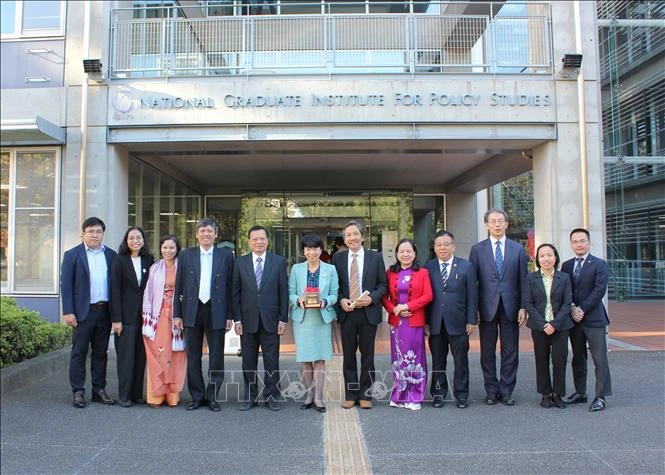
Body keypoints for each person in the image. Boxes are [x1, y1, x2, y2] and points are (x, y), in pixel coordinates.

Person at [174, 218, 234, 412]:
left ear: (216, 234)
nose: (206, 234)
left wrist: (230, 315)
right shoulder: (186, 255)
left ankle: (212, 395)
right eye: (202, 231)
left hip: (216, 311)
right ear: (197, 234)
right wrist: (177, 314)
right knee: (193, 355)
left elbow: (231, 286)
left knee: (216, 356)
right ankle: (197, 396)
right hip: (192, 310)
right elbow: (179, 285)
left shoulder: (226, 256)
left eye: (209, 231)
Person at [469, 208, 528, 406]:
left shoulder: (518, 249)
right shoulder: (477, 250)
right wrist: (474, 308)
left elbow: (523, 280)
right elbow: (473, 283)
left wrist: (523, 306)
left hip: (511, 307)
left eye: (500, 221)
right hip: (486, 307)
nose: (496, 224)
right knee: (487, 351)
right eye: (492, 221)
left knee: (510, 350)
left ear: (506, 224)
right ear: (486, 225)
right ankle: (491, 390)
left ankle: (507, 390)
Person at [61, 217, 117, 408]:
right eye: (91, 231)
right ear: (83, 233)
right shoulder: (72, 255)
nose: (95, 235)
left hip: (104, 311)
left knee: (101, 353)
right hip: (82, 312)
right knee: (79, 352)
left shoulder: (111, 255)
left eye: (98, 231)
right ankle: (78, 391)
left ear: (103, 234)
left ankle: (99, 390)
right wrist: (68, 311)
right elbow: (66, 285)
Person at [232, 225, 288, 411]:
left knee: (272, 360)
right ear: (249, 241)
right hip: (247, 320)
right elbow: (236, 294)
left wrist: (283, 319)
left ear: (267, 240)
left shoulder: (278, 262)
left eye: (262, 238)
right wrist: (237, 320)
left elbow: (283, 292)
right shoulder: (239, 262)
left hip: (271, 319)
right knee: (248, 360)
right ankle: (250, 396)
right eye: (255, 239)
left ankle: (272, 396)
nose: (258, 242)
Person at [332, 220, 387, 409]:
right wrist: (341, 300)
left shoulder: (376, 257)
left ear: (362, 237)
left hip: (368, 313)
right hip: (347, 313)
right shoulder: (338, 258)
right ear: (345, 239)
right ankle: (350, 394)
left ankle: (366, 395)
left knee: (367, 356)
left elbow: (383, 285)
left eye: (355, 234)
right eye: (348, 235)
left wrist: (372, 298)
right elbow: (335, 286)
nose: (352, 237)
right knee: (348, 356)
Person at [425, 230, 478, 409]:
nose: (442, 248)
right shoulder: (428, 267)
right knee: (438, 361)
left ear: (453, 246)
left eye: (446, 244)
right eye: (439, 244)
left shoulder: (466, 266)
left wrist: (472, 320)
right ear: (434, 247)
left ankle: (461, 394)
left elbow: (472, 295)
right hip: (436, 323)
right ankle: (438, 394)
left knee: (461, 361)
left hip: (459, 322)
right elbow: (426, 296)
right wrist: (426, 322)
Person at [561, 228, 612, 412]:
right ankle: (580, 392)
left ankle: (601, 396)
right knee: (578, 357)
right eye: (575, 242)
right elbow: (565, 289)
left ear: (589, 242)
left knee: (600, 358)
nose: (579, 244)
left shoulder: (600, 264)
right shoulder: (566, 265)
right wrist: (573, 307)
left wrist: (582, 309)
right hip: (574, 319)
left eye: (582, 241)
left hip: (594, 318)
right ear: (571, 244)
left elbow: (599, 291)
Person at [289, 233, 339, 413]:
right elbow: (290, 292)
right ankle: (309, 394)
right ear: (304, 251)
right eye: (308, 248)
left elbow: (334, 294)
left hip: (321, 318)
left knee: (319, 359)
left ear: (321, 250)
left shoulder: (330, 269)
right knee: (305, 360)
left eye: (315, 248)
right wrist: (297, 300)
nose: (312, 252)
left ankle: (318, 397)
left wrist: (326, 301)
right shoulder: (296, 269)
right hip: (302, 319)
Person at [381, 238, 432, 410]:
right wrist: (394, 309)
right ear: (396, 254)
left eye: (409, 251)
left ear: (415, 253)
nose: (405, 254)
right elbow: (383, 295)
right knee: (398, 359)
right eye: (402, 251)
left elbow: (428, 296)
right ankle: (399, 395)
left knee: (414, 358)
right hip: (397, 323)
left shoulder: (423, 272)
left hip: (414, 321)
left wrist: (407, 306)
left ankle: (415, 396)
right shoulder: (390, 273)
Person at [524, 243, 573, 409]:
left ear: (555, 258)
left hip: (560, 326)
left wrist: (555, 324)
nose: (546, 259)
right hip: (539, 327)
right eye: (542, 256)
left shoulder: (564, 277)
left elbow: (567, 303)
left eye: (549, 255)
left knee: (560, 360)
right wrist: (543, 324)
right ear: (538, 259)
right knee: (541, 360)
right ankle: (545, 394)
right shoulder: (531, 278)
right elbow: (529, 304)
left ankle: (558, 394)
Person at [110, 227, 154, 407]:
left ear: (143, 240)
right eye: (131, 238)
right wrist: (116, 319)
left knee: (141, 356)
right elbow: (114, 290)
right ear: (125, 241)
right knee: (126, 357)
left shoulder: (149, 260)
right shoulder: (119, 260)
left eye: (138, 237)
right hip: (125, 317)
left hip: (144, 316)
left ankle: (137, 394)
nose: (135, 240)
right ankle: (124, 395)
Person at [142, 234, 186, 407]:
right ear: (160, 248)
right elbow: (148, 293)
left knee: (176, 355)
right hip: (157, 317)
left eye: (171, 248)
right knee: (158, 355)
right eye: (165, 247)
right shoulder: (155, 268)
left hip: (177, 317)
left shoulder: (182, 267)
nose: (168, 251)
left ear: (177, 250)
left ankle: (172, 396)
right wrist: (146, 318)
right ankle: (156, 396)